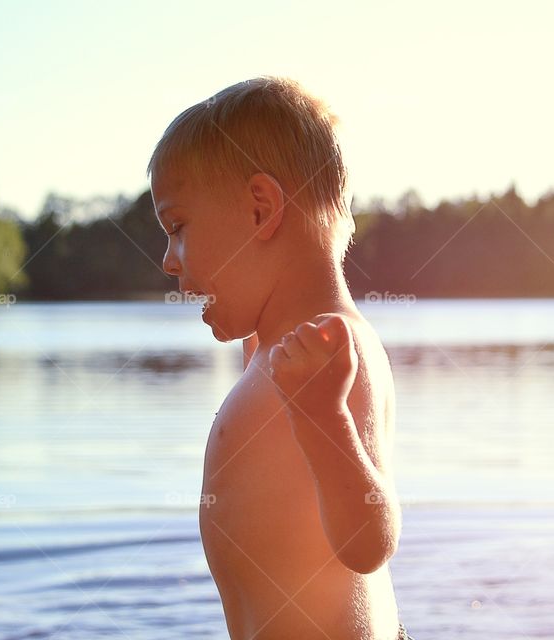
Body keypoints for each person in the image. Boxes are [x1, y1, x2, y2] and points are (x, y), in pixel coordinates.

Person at [147, 76, 415, 640]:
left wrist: (326, 418)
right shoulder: (274, 351)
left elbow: (370, 543)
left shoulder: (333, 350)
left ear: (260, 210)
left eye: (177, 227)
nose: (169, 261)